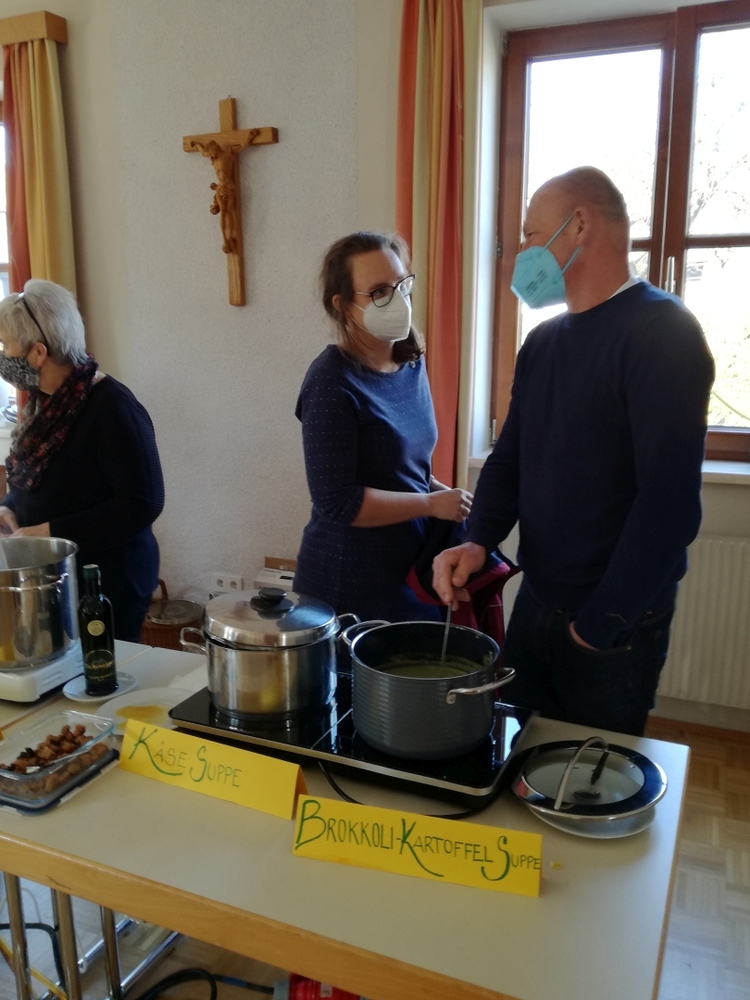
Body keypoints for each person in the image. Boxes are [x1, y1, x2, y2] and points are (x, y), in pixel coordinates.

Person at [433, 167, 714, 736]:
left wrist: (599, 625)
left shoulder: (663, 333)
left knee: (592, 774)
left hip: (611, 623)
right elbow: (511, 458)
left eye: (531, 235)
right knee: (519, 758)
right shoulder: (543, 343)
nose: (522, 254)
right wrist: (478, 539)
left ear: (580, 225)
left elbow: (669, 504)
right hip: (537, 601)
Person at [294, 231, 472, 622]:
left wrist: (446, 495)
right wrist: (431, 504)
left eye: (401, 285)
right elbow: (338, 502)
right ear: (343, 305)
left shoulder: (410, 363)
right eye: (378, 292)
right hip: (347, 583)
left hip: (410, 571)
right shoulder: (330, 381)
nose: (396, 300)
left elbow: (404, 468)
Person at [0, 280, 165, 642]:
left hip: (109, 583)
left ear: (38, 352)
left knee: (101, 674)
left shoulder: (113, 407)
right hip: (58, 575)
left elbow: (143, 503)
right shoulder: (45, 402)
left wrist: (44, 532)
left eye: (5, 346)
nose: (3, 356)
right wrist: (10, 507)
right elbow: (37, 476)